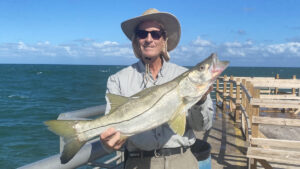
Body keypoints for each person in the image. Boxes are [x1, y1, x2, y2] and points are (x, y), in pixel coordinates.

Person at [100, 8, 214, 169]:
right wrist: (109, 143)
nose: (148, 39)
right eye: (142, 33)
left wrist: (200, 100)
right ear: (136, 40)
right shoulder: (117, 80)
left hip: (183, 161)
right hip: (138, 163)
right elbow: (111, 131)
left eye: (155, 34)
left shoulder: (186, 76)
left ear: (164, 40)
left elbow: (202, 126)